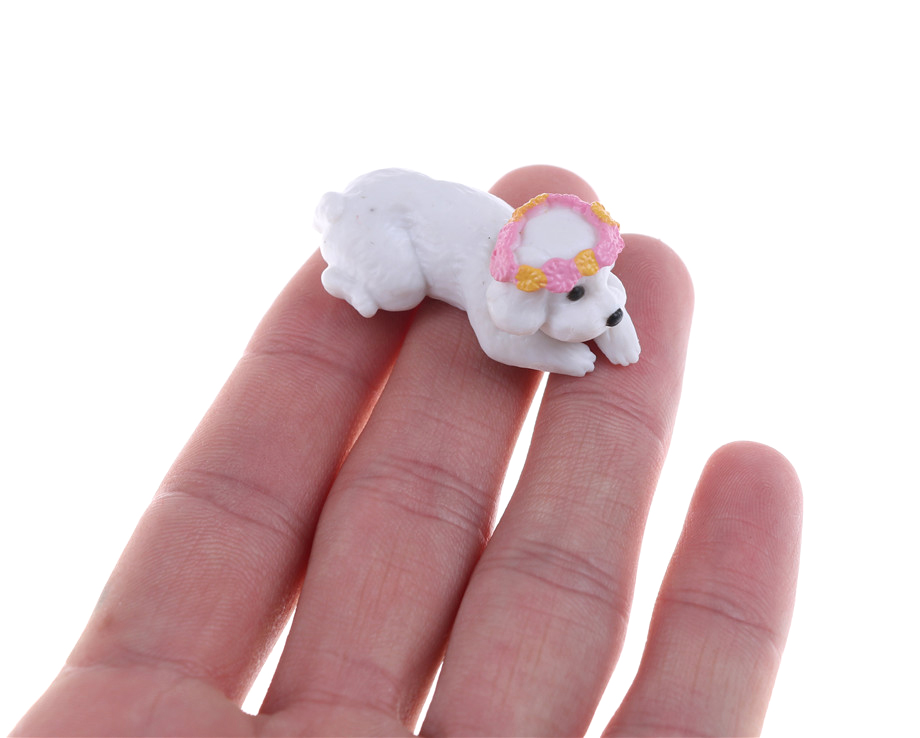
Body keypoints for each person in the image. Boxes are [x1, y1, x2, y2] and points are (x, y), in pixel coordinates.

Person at [13, 166, 802, 737]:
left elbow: (601, 305)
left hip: (404, 205)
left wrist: (609, 324)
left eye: (603, 286)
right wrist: (570, 355)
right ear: (527, 291)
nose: (602, 301)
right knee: (391, 291)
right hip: (378, 224)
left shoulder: (561, 266)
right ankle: (355, 279)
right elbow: (503, 340)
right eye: (576, 294)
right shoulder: (504, 300)